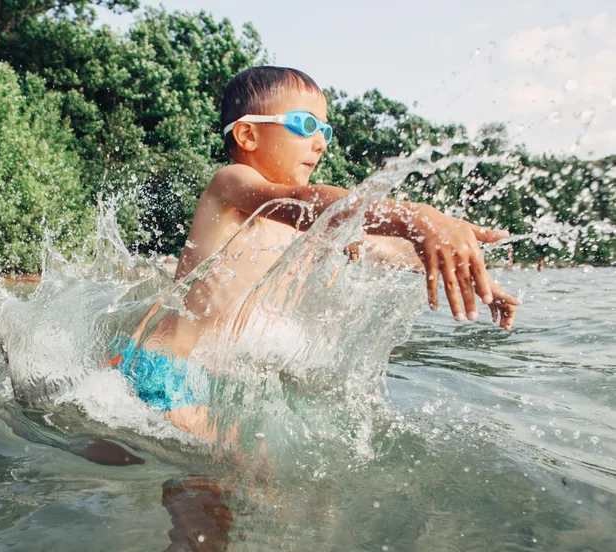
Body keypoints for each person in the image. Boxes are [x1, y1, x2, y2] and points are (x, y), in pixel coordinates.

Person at [106, 66, 521, 438]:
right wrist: (419, 217)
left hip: (216, 382)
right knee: (207, 497)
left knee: (260, 490)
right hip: (165, 368)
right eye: (305, 125)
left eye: (326, 130)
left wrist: (475, 275)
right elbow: (308, 201)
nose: (320, 143)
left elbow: (389, 251)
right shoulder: (230, 186)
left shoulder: (307, 231)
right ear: (247, 134)